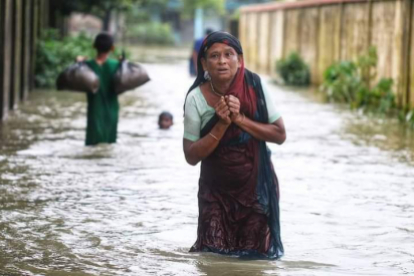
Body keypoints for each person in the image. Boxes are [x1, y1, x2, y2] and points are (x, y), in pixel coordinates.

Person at [183, 31, 286, 259]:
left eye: (228, 54)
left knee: (252, 262)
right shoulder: (195, 99)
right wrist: (220, 125)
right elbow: (190, 156)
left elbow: (279, 134)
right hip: (215, 194)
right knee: (212, 258)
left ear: (240, 60)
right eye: (214, 56)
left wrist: (240, 120)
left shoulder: (254, 86)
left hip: (257, 191)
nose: (222, 61)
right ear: (204, 63)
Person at [83, 33, 120, 146]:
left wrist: (78, 61)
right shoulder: (117, 65)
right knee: (109, 143)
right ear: (112, 48)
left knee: (92, 143)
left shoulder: (86, 66)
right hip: (112, 110)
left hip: (94, 110)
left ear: (94, 46)